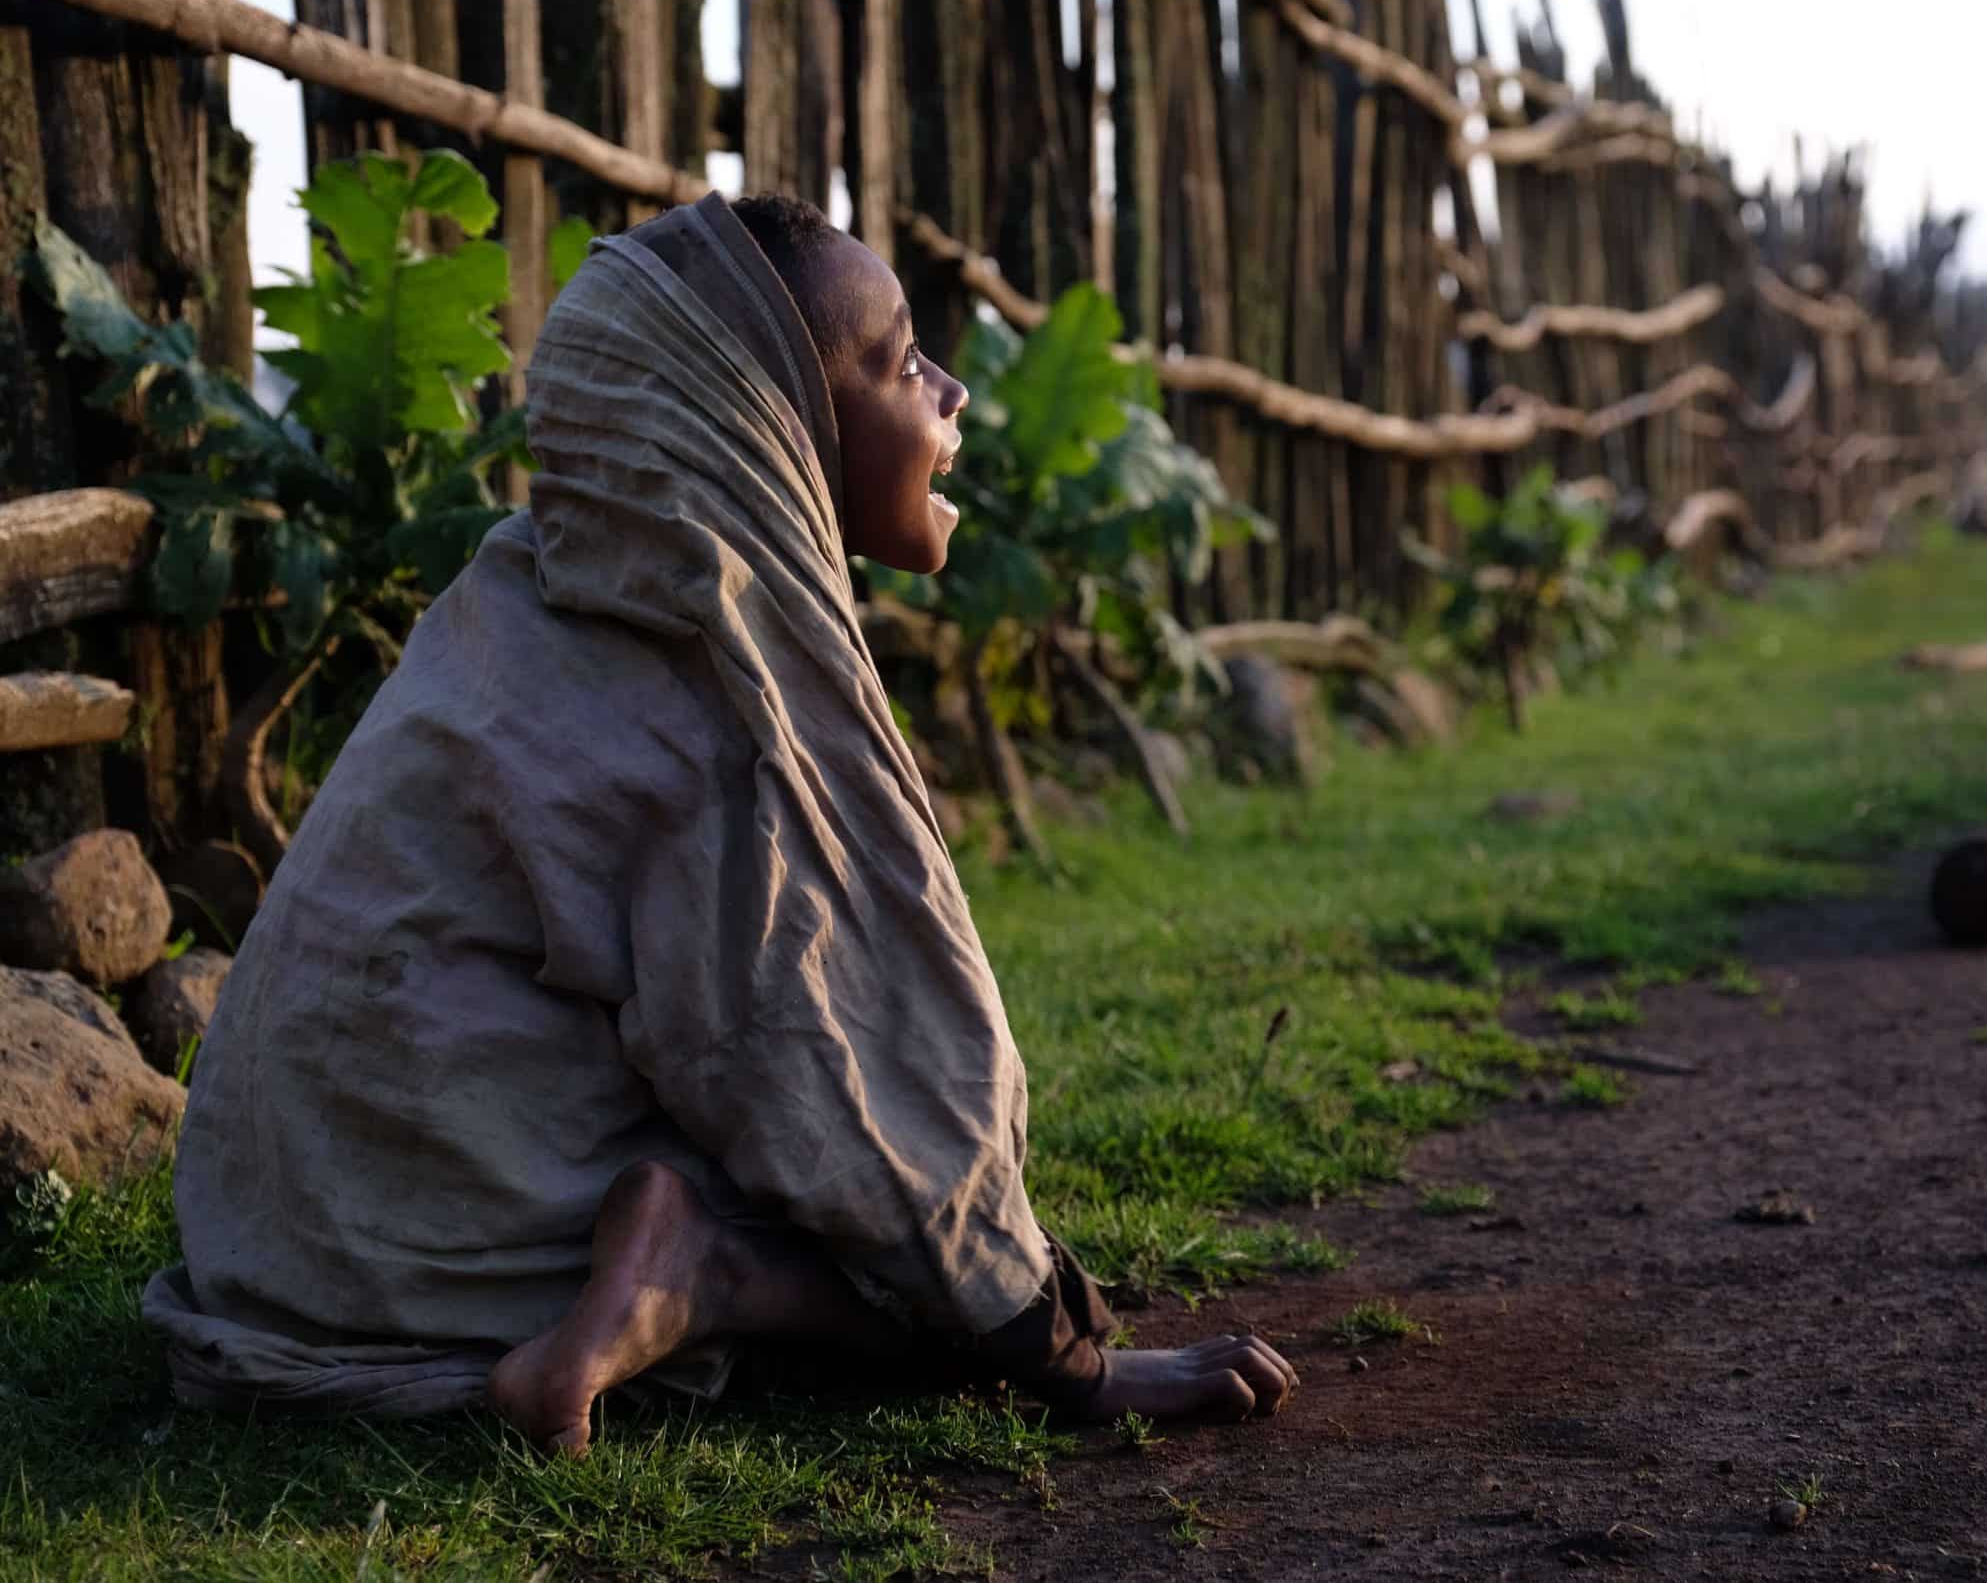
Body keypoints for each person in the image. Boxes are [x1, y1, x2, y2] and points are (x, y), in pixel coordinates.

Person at [142, 192, 1296, 1454]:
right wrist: (1067, 1354)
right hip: (428, 1278)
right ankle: (695, 1274)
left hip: (268, 1251)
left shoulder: (518, 598)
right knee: (905, 1271)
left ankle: (686, 1259)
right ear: (765, 424)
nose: (950, 390)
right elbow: (829, 1077)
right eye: (902, 363)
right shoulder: (711, 692)